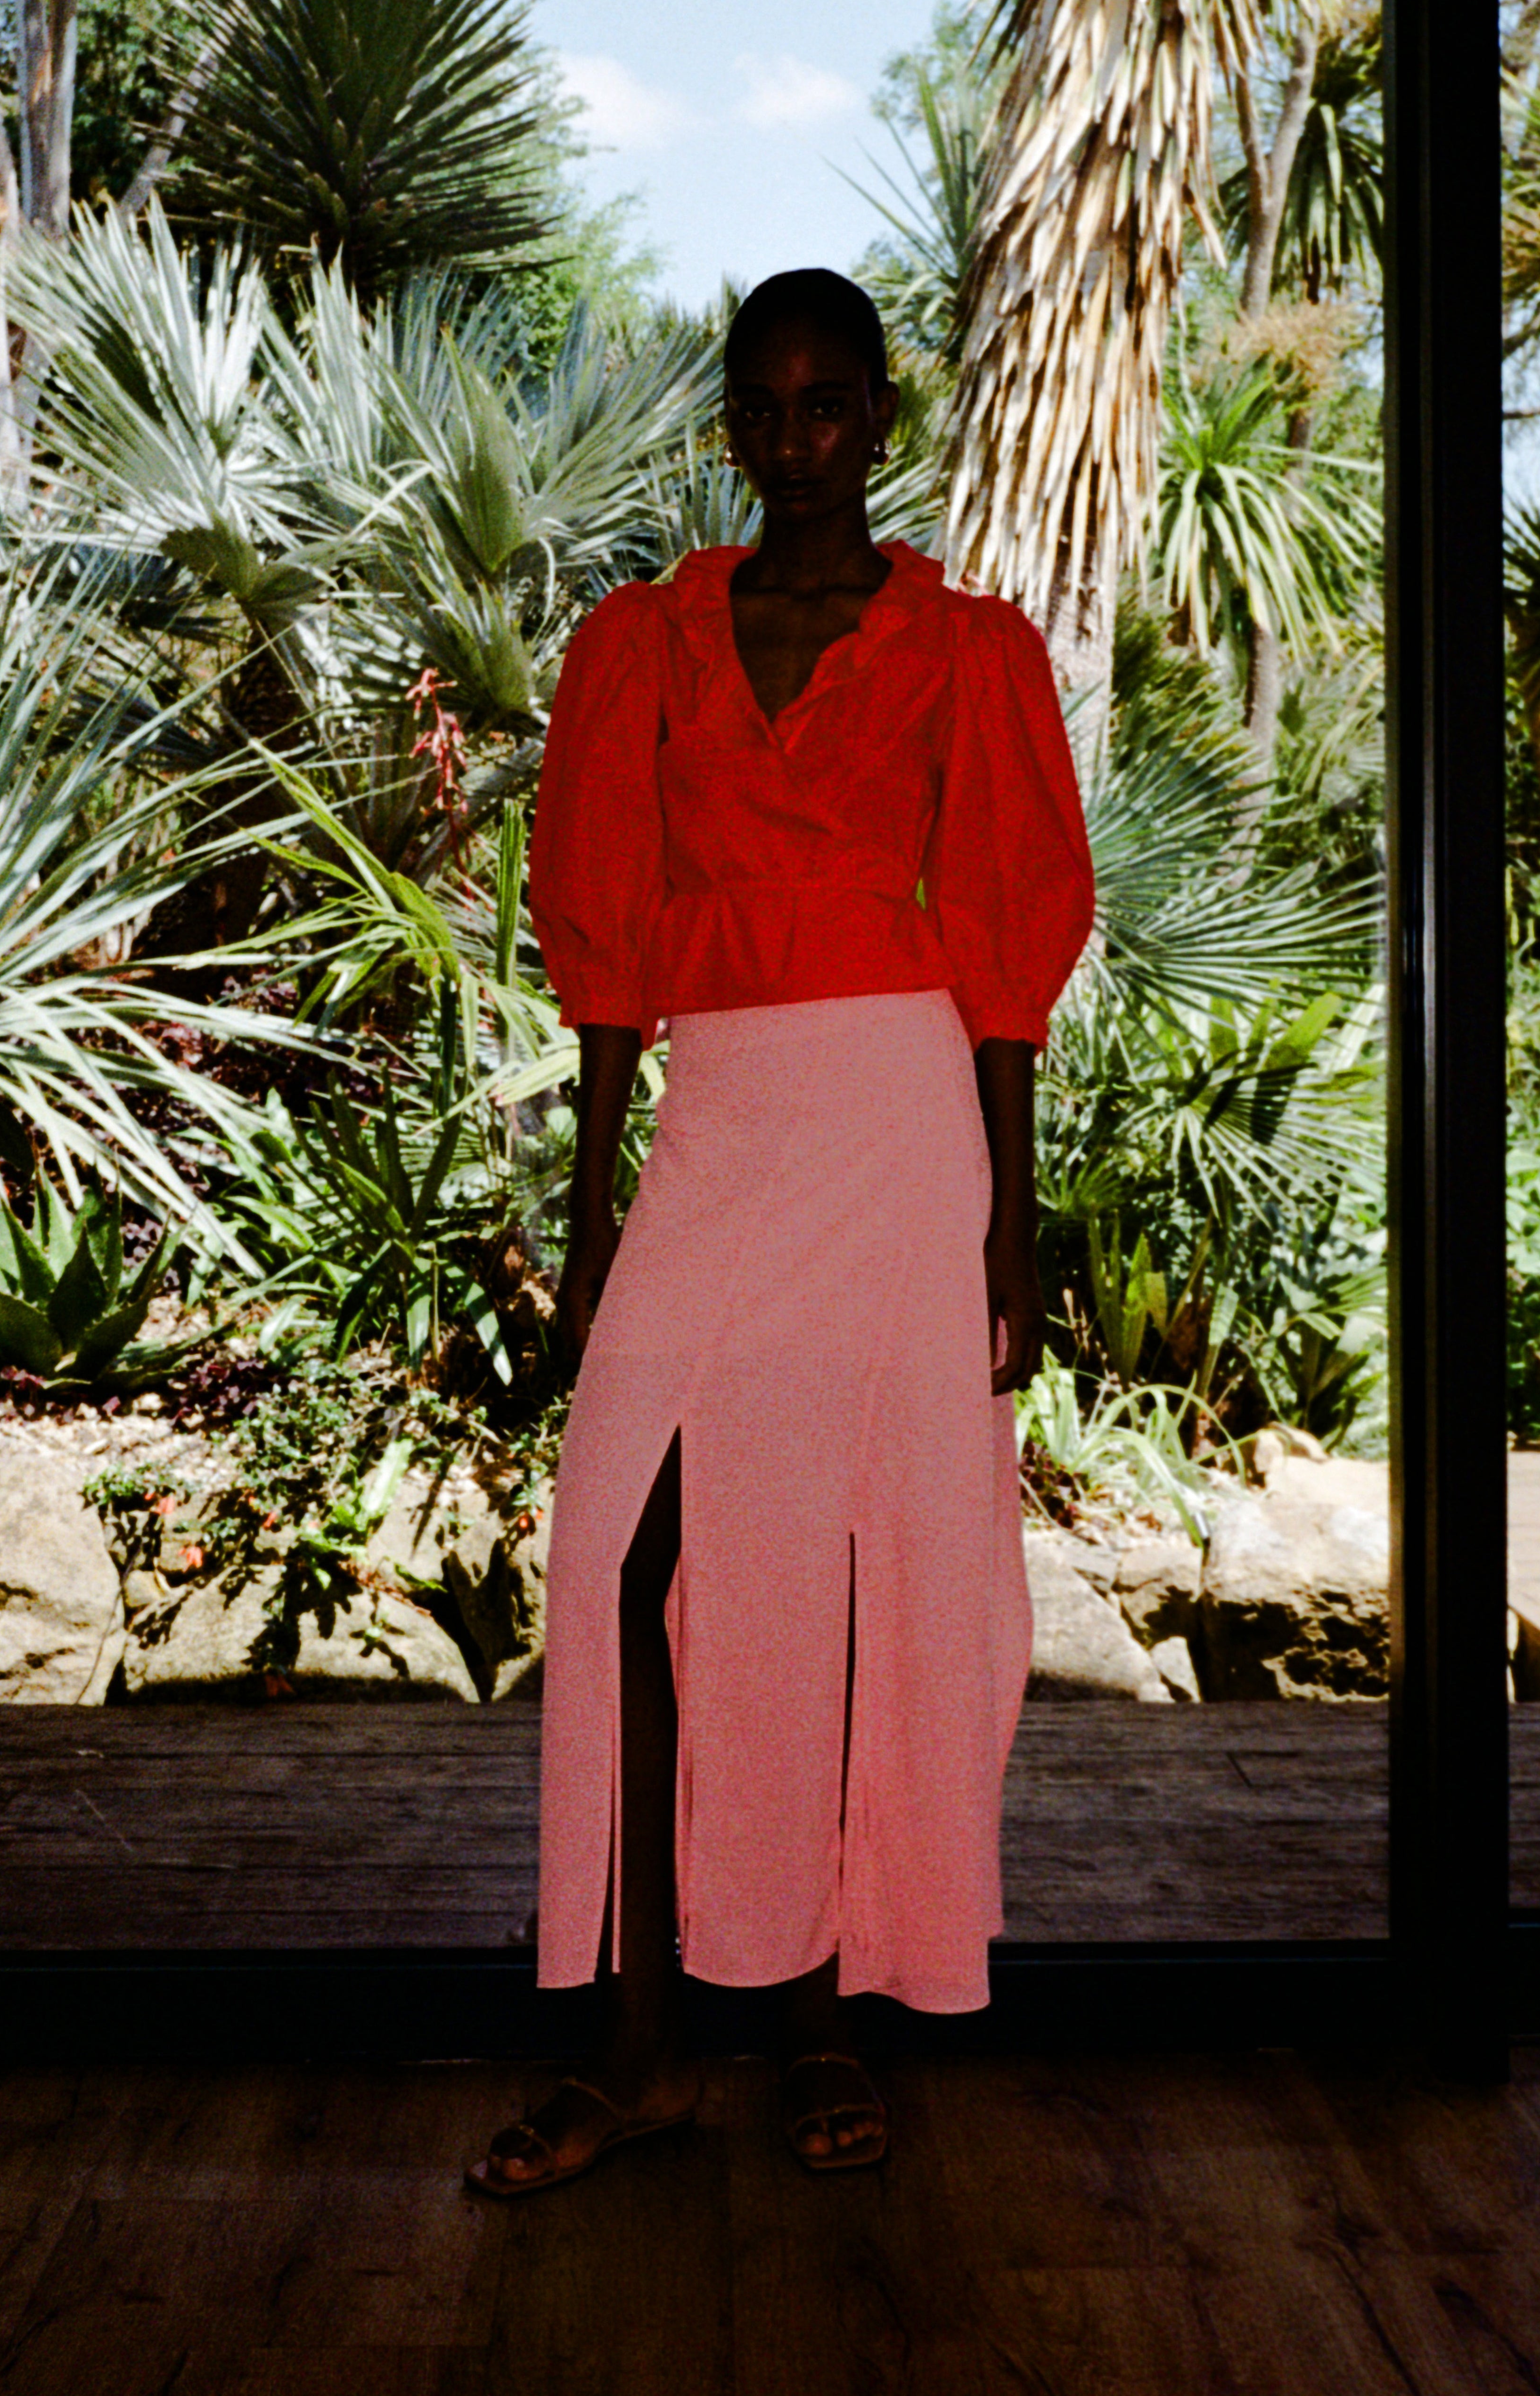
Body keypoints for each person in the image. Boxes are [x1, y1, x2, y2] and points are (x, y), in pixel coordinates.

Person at [467, 269, 1094, 2195]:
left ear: (881, 417)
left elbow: (1004, 947)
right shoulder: (641, 643)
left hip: (902, 1132)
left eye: (828, 403)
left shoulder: (968, 648)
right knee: (621, 1548)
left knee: (837, 1578)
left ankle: (819, 2012)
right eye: (762, 404)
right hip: (720, 1126)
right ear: (729, 422)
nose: (793, 437)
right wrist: (590, 1226)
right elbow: (604, 953)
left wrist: (1011, 1227)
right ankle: (641, 2040)